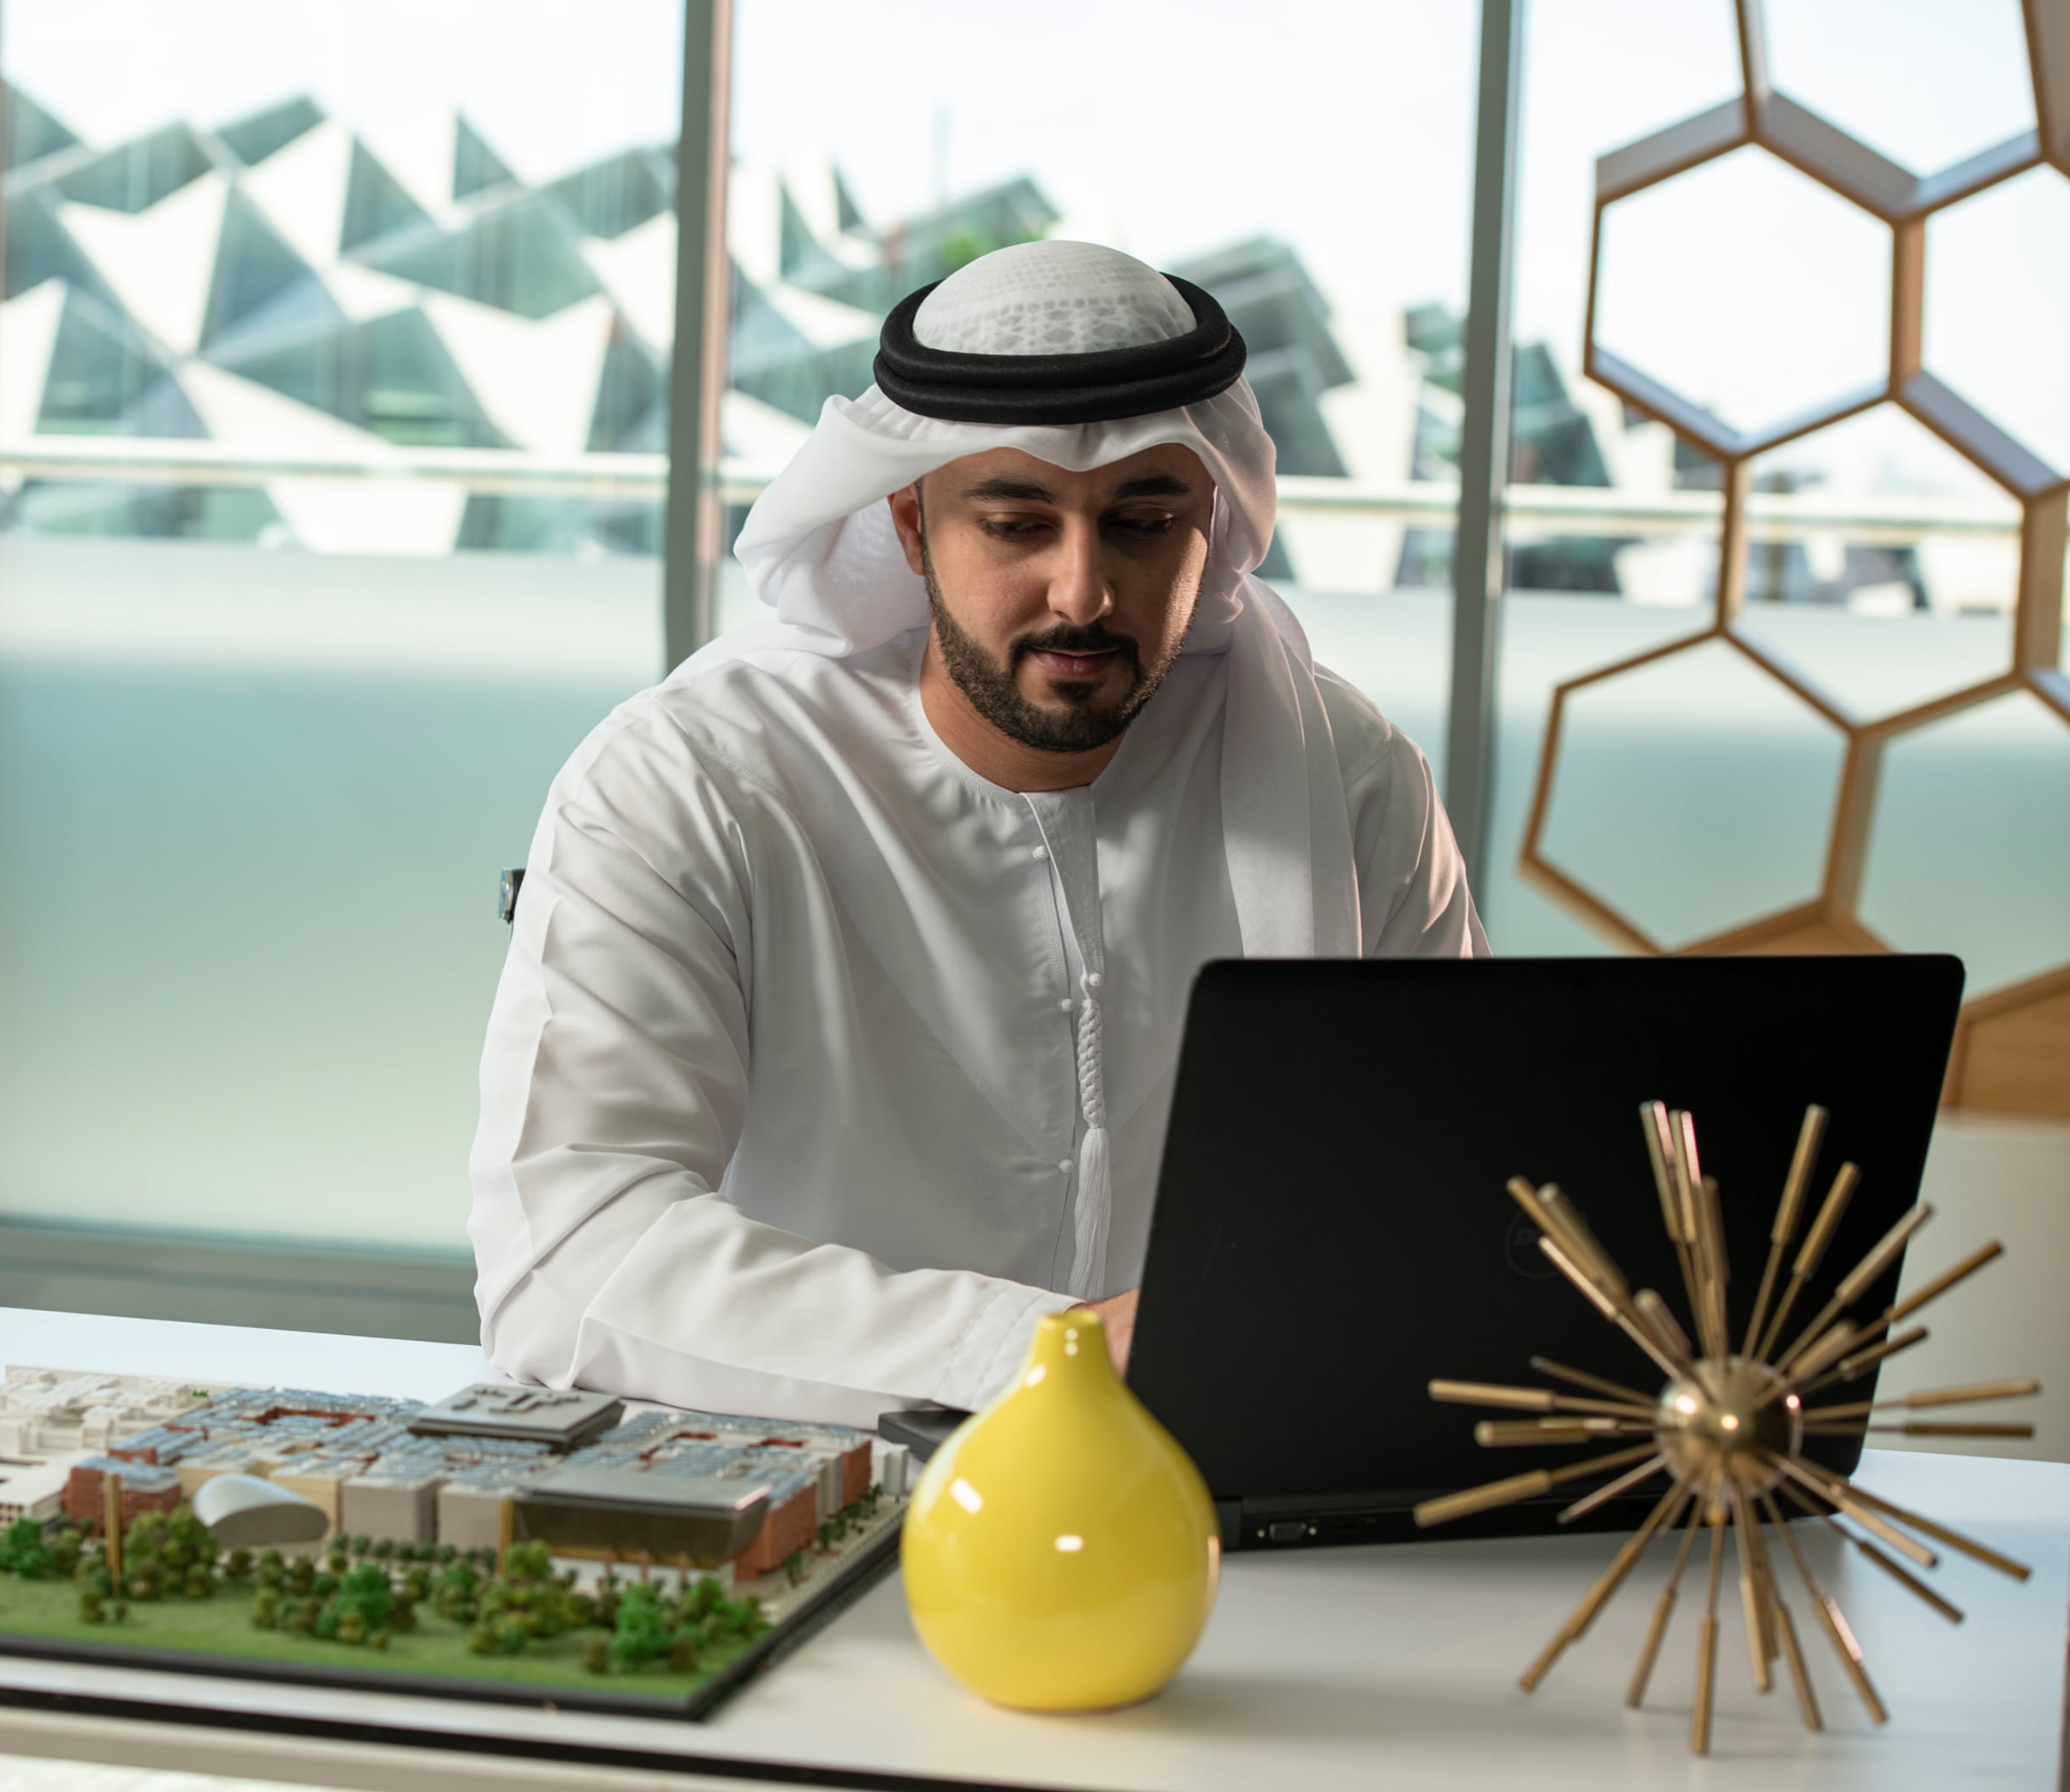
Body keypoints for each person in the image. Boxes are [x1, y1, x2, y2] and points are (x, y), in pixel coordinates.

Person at [469, 240, 1484, 1427]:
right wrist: (1043, 1352)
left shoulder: (1348, 780)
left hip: (1228, 1507)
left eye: (1143, 521)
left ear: (1208, 520)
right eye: (1014, 522)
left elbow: (1447, 1198)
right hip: (805, 1486)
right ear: (909, 521)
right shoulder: (692, 780)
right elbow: (567, 1259)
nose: (1081, 591)